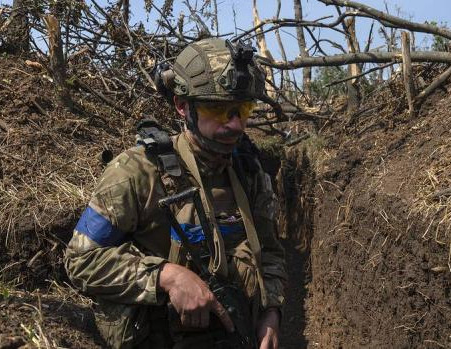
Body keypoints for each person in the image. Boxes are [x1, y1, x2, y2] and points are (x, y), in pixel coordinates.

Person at [64, 38, 287, 349]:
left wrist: (271, 313)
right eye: (219, 110)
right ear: (183, 106)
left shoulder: (249, 174)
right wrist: (165, 277)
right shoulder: (136, 172)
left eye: (244, 109)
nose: (236, 124)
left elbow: (271, 253)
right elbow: (80, 260)